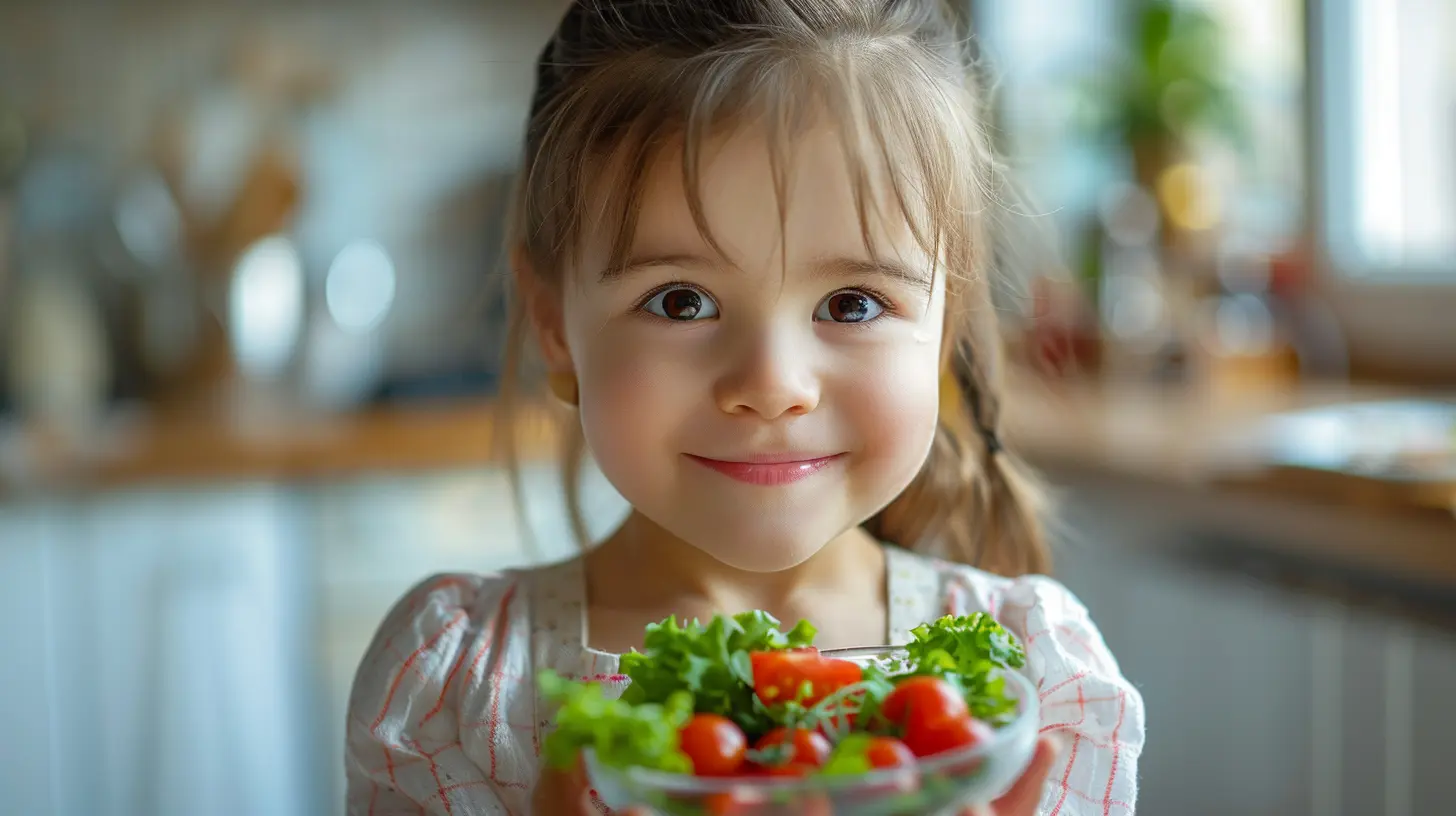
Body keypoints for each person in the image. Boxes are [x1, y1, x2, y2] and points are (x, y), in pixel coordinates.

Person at [345, 1, 1146, 814]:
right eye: (682, 301)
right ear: (555, 327)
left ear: (945, 332)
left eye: (853, 305)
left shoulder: (1039, 687)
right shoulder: (456, 687)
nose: (771, 382)